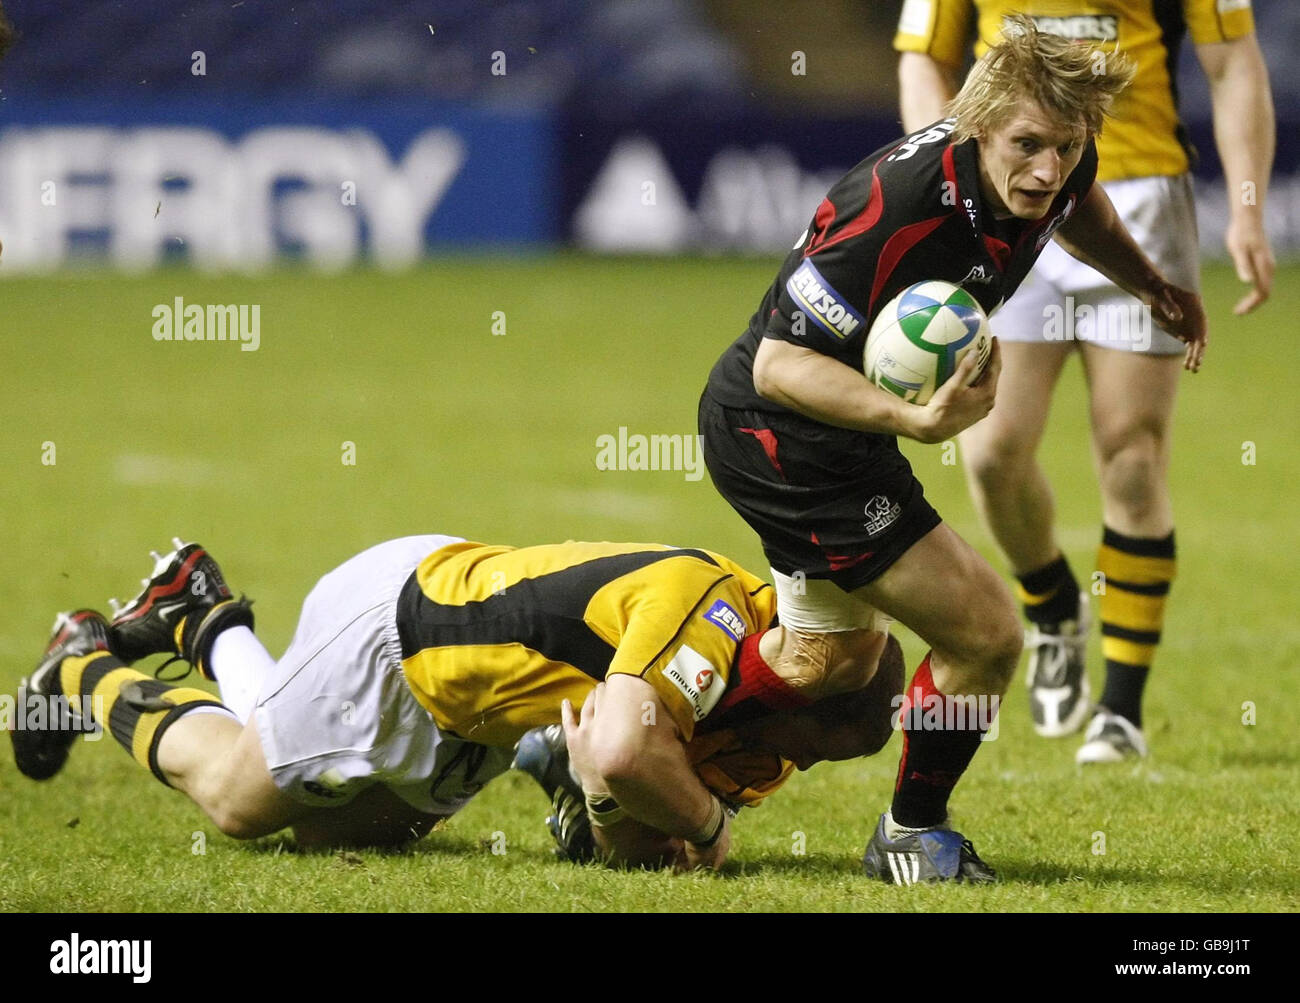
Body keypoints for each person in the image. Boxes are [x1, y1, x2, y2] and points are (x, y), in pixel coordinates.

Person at [698, 15, 1206, 883]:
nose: (1046, 169)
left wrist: (1153, 286)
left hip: (836, 436)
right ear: (976, 127)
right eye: (1028, 147)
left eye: (1067, 147)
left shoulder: (1057, 155)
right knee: (985, 631)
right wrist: (919, 424)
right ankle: (911, 832)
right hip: (782, 435)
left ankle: (615, 737)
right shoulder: (894, 207)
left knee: (828, 665)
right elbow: (782, 366)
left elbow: (1080, 205)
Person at [9, 533, 894, 863]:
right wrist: (705, 828)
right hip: (406, 634)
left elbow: (626, 822)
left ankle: (202, 620)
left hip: (478, 720)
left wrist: (601, 800)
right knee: (242, 801)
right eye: (808, 744)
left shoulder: (771, 724)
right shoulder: (709, 605)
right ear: (804, 677)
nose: (792, 766)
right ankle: (79, 662)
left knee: (325, 833)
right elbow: (630, 757)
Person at [895, 1, 1273, 761]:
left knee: (1132, 454)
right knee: (993, 451)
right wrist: (944, 184)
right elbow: (922, 59)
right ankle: (1052, 604)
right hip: (1011, 193)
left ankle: (1121, 710)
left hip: (1137, 191)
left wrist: (1247, 207)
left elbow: (1233, 62)